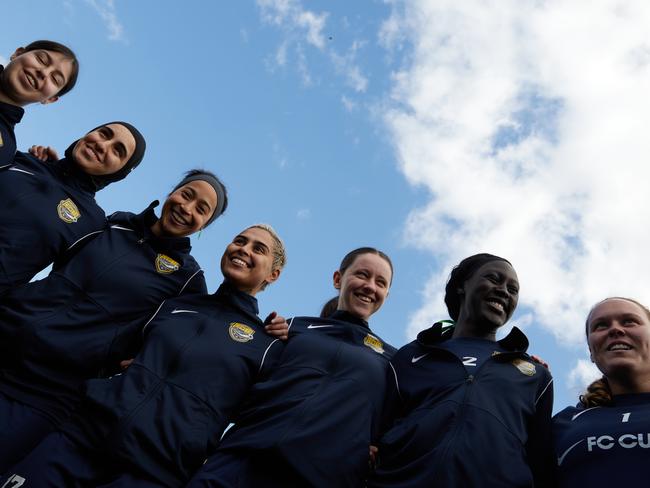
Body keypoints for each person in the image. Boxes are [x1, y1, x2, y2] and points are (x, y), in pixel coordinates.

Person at [0, 224, 288, 487]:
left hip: (151, 473)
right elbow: (112, 345)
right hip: (79, 438)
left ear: (273, 275)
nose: (244, 249)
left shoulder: (269, 345)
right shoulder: (175, 305)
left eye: (258, 249)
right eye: (240, 241)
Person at [0, 169, 228, 471]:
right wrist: (56, 169)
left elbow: (190, 341)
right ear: (173, 191)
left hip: (48, 391)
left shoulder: (188, 279)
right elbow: (52, 230)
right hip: (5, 335)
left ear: (205, 225)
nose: (187, 208)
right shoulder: (114, 223)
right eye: (187, 195)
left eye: (202, 209)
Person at [187, 247, 397, 487]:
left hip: (320, 478)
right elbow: (237, 376)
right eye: (362, 274)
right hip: (240, 461)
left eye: (381, 282)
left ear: (386, 295)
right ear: (338, 279)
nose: (370, 286)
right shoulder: (292, 327)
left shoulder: (392, 361)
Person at [370, 253, 554, 488]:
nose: (504, 291)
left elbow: (541, 464)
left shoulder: (536, 375)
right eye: (494, 279)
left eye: (513, 289)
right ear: (462, 286)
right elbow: (375, 434)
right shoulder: (410, 356)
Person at [0, 121, 145, 293]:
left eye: (117, 150)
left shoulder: (92, 223)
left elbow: (60, 289)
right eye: (104, 134)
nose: (101, 145)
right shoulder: (20, 159)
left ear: (121, 172)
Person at [553, 297, 650, 487]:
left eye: (629, 321)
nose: (615, 329)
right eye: (601, 325)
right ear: (591, 351)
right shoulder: (562, 423)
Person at [0, 40, 79, 165]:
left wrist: (40, 169)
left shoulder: (5, 149)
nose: (43, 73)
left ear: (50, 99)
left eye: (55, 79)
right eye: (41, 60)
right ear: (17, 53)